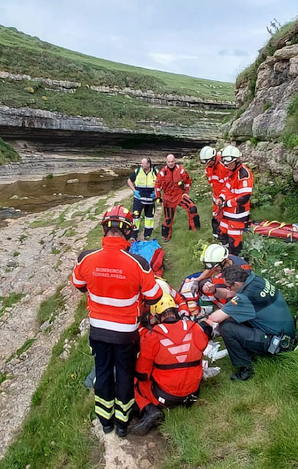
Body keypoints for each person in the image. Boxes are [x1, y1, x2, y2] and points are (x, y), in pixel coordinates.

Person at [71, 205, 163, 437]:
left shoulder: (86, 258)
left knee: (102, 373)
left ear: (104, 230)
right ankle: (122, 425)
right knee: (124, 374)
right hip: (126, 333)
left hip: (98, 330)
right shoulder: (139, 262)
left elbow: (79, 285)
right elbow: (155, 296)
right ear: (129, 232)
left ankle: (106, 422)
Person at [130, 290, 209, 436]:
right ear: (176, 311)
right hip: (193, 394)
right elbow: (203, 345)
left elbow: (142, 373)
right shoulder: (194, 328)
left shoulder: (153, 336)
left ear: (157, 316)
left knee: (133, 381)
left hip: (165, 397)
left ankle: (149, 410)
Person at [204, 265, 296, 382]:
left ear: (236, 284)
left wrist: (203, 318)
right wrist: (215, 291)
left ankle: (245, 368)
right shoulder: (256, 280)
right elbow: (228, 295)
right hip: (286, 331)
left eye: (228, 286)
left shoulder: (245, 298)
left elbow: (215, 318)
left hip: (277, 342)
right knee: (232, 314)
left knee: (226, 326)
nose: (228, 289)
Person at [216, 145, 254, 256]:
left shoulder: (243, 174)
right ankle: (224, 256)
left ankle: (235, 262)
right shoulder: (232, 171)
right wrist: (221, 198)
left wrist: (226, 202)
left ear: (237, 160)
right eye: (226, 163)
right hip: (228, 211)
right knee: (221, 233)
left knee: (234, 241)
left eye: (230, 163)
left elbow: (244, 197)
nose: (227, 165)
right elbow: (227, 188)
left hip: (238, 214)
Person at [155, 154, 200, 241]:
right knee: (168, 219)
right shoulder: (162, 172)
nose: (171, 163)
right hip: (168, 198)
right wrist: (158, 197)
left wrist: (186, 192)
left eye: (172, 161)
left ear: (175, 161)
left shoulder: (181, 170)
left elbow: (188, 181)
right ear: (166, 162)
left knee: (192, 208)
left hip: (180, 195)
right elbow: (157, 185)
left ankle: (194, 230)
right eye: (169, 162)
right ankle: (166, 236)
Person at [200, 146, 227, 239]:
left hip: (224, 198)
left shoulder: (223, 167)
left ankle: (223, 236)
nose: (207, 165)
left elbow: (228, 186)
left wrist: (223, 198)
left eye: (208, 162)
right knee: (215, 217)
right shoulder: (208, 168)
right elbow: (211, 182)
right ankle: (216, 236)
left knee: (225, 218)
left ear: (213, 158)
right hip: (216, 197)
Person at [126, 157, 158, 239]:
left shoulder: (155, 172)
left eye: (143, 163)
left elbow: (162, 183)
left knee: (149, 218)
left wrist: (156, 192)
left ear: (148, 164)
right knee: (136, 218)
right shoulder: (138, 171)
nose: (141, 165)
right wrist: (134, 191)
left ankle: (147, 235)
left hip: (151, 201)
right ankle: (133, 236)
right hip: (139, 200)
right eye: (141, 163)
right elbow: (129, 181)